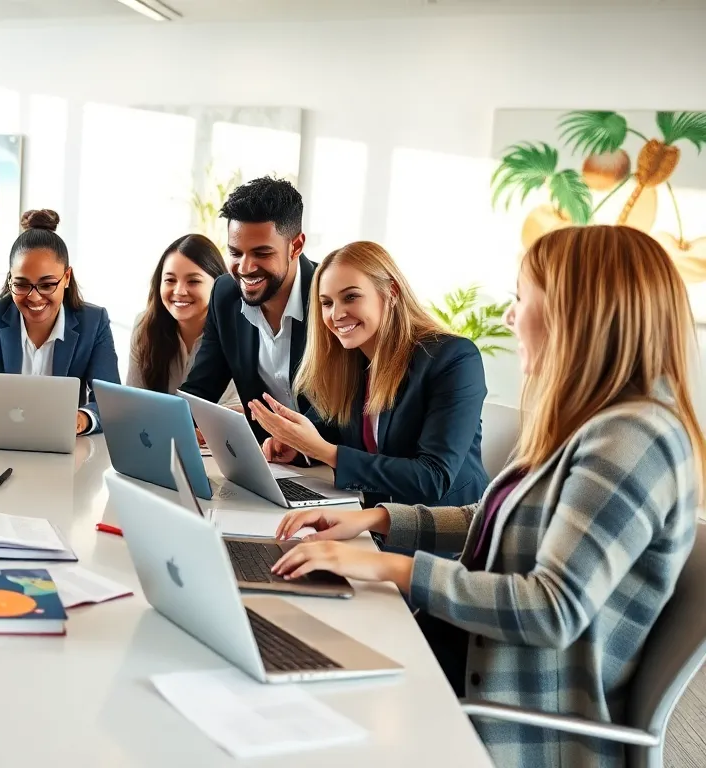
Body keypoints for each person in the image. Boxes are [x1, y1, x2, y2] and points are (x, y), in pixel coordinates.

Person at [271, 226, 704, 768]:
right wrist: (376, 523)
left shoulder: (634, 440)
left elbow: (552, 609)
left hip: (499, 710)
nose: (509, 317)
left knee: (295, 703)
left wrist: (390, 570)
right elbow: (489, 519)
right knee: (290, 647)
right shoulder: (593, 423)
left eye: (522, 298)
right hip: (459, 657)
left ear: (580, 309)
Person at [249, 241, 488, 508]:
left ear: (391, 292)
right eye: (326, 303)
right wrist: (298, 448)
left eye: (350, 297)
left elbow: (433, 478)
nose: (336, 314)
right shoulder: (352, 361)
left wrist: (324, 451)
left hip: (442, 534)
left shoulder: (453, 358)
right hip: (370, 517)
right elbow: (328, 428)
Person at [0, 209, 119, 436]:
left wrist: (82, 419)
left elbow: (112, 402)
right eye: (22, 284)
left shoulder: (94, 323)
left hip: (62, 448)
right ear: (10, 280)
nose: (34, 297)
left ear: (66, 278)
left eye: (47, 285)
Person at [179, 177, 318, 442]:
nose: (245, 267)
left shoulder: (329, 296)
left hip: (330, 464)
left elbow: (346, 405)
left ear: (296, 246)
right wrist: (168, 422)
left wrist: (297, 444)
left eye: (262, 254)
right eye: (235, 253)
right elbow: (201, 387)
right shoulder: (225, 294)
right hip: (266, 462)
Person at [126, 234, 240, 409]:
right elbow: (133, 403)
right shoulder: (145, 326)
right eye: (170, 280)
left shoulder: (237, 335)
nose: (179, 291)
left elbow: (234, 412)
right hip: (157, 434)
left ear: (219, 285)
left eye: (193, 281)